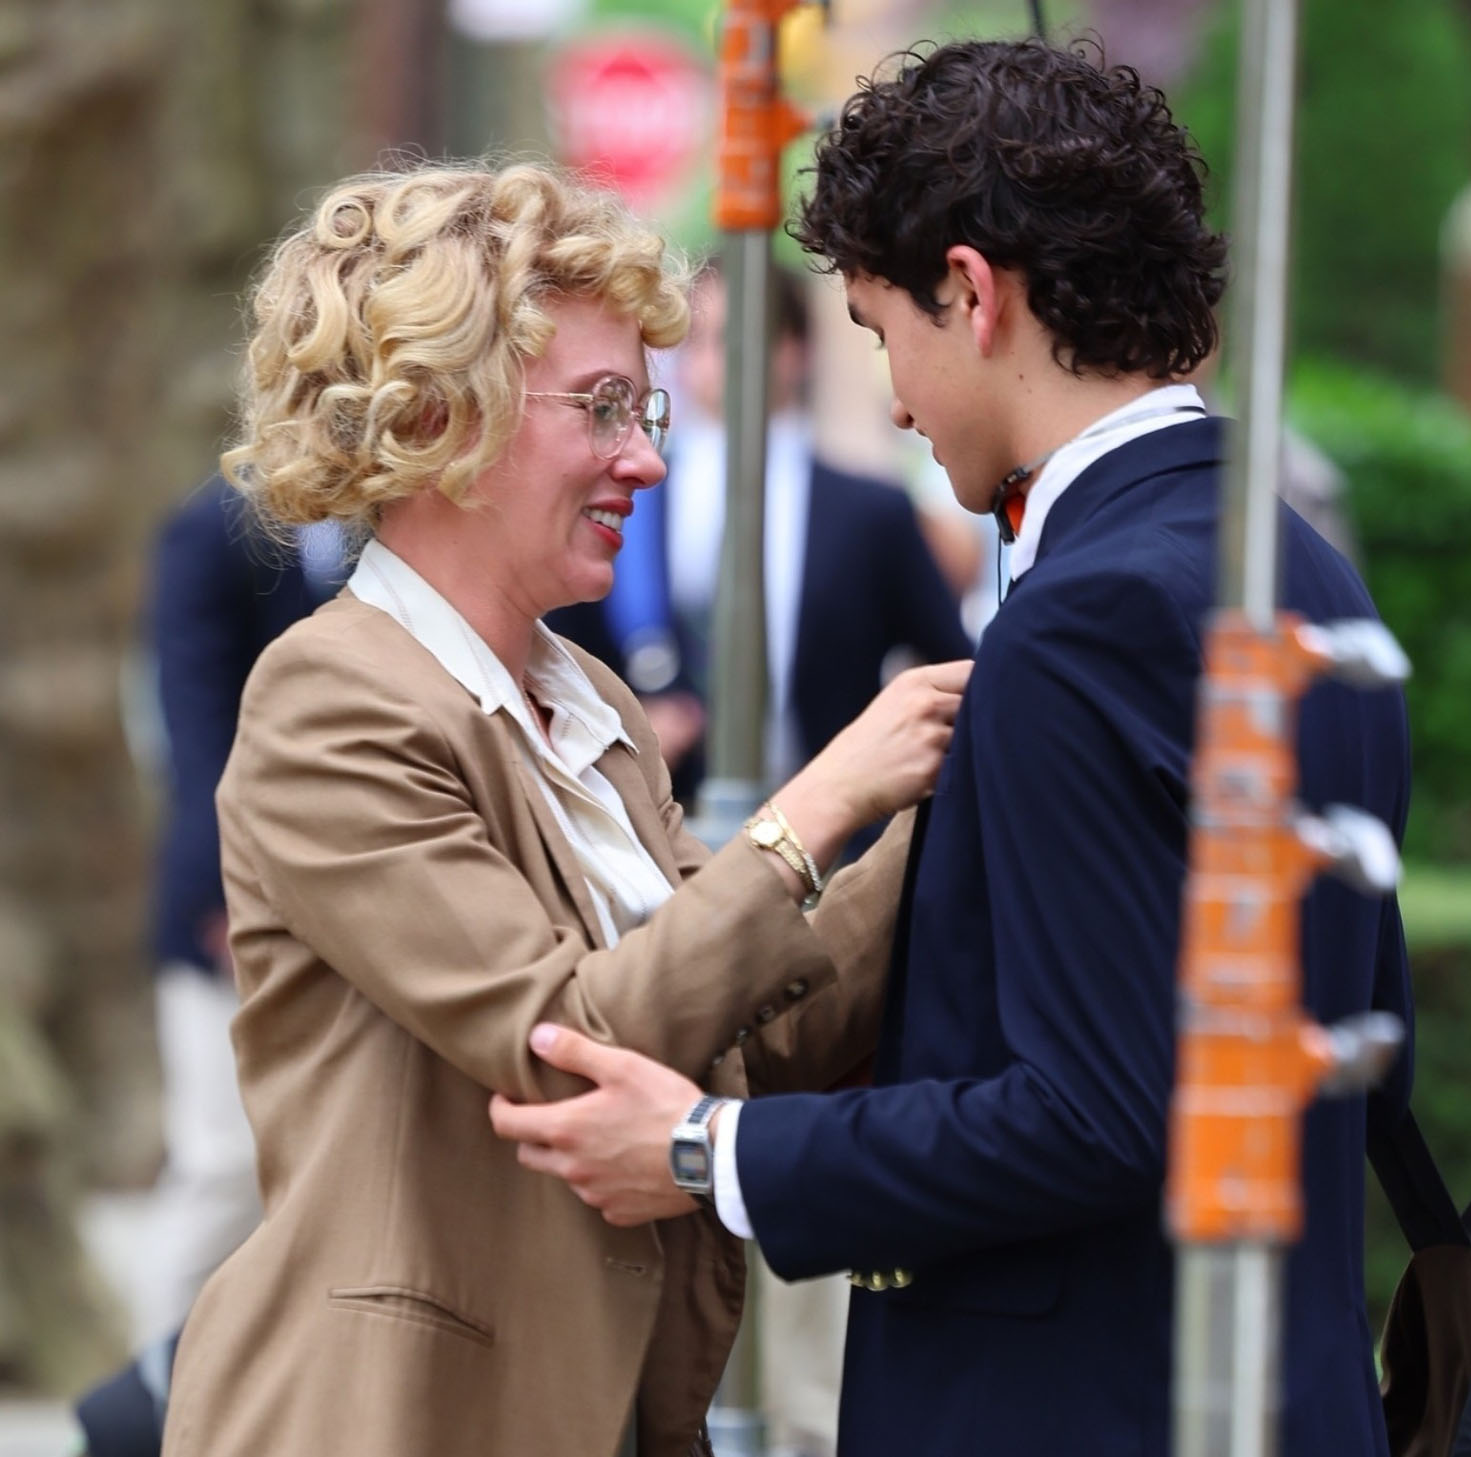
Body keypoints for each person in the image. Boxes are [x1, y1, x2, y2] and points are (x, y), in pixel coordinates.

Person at [488, 39, 1414, 1457]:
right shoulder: (1295, 565)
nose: (899, 402)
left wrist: (707, 1149)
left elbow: (1096, 1111)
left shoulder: (1087, 613)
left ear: (973, 294)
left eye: (880, 332)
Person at [159, 161, 970, 1457]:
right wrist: (825, 799)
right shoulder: (329, 698)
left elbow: (750, 1034)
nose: (645, 455)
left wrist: (964, 784)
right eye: (601, 408)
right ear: (438, 416)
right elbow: (570, 1043)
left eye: (643, 407)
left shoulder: (583, 697)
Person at [550, 260, 972, 815]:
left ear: (794, 349)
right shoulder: (631, 494)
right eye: (693, 341)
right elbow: (564, 652)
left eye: (733, 338)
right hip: (663, 821)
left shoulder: (869, 511)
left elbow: (953, 667)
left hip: (844, 830)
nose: (710, 361)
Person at [144, 475, 345, 1345]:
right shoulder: (212, 530)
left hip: (344, 904)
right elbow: (195, 735)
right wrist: (235, 889)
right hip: (225, 911)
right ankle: (150, 1393)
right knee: (223, 1164)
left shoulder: (388, 527)